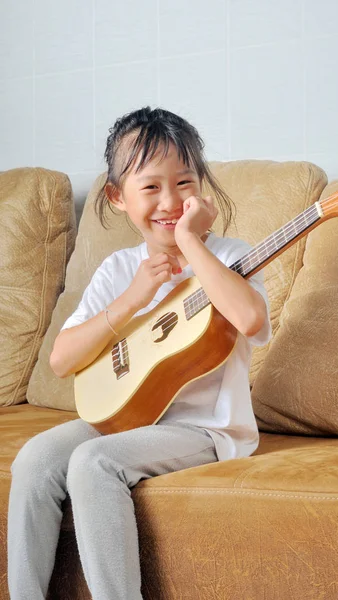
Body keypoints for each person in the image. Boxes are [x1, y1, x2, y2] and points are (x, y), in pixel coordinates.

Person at [7, 106, 272, 600]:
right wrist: (130, 300)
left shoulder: (231, 256)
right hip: (128, 416)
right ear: (117, 197)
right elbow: (62, 361)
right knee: (36, 457)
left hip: (206, 429)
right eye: (150, 187)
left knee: (93, 462)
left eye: (185, 183)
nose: (170, 201)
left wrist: (192, 244)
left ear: (202, 188)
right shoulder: (118, 268)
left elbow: (251, 320)